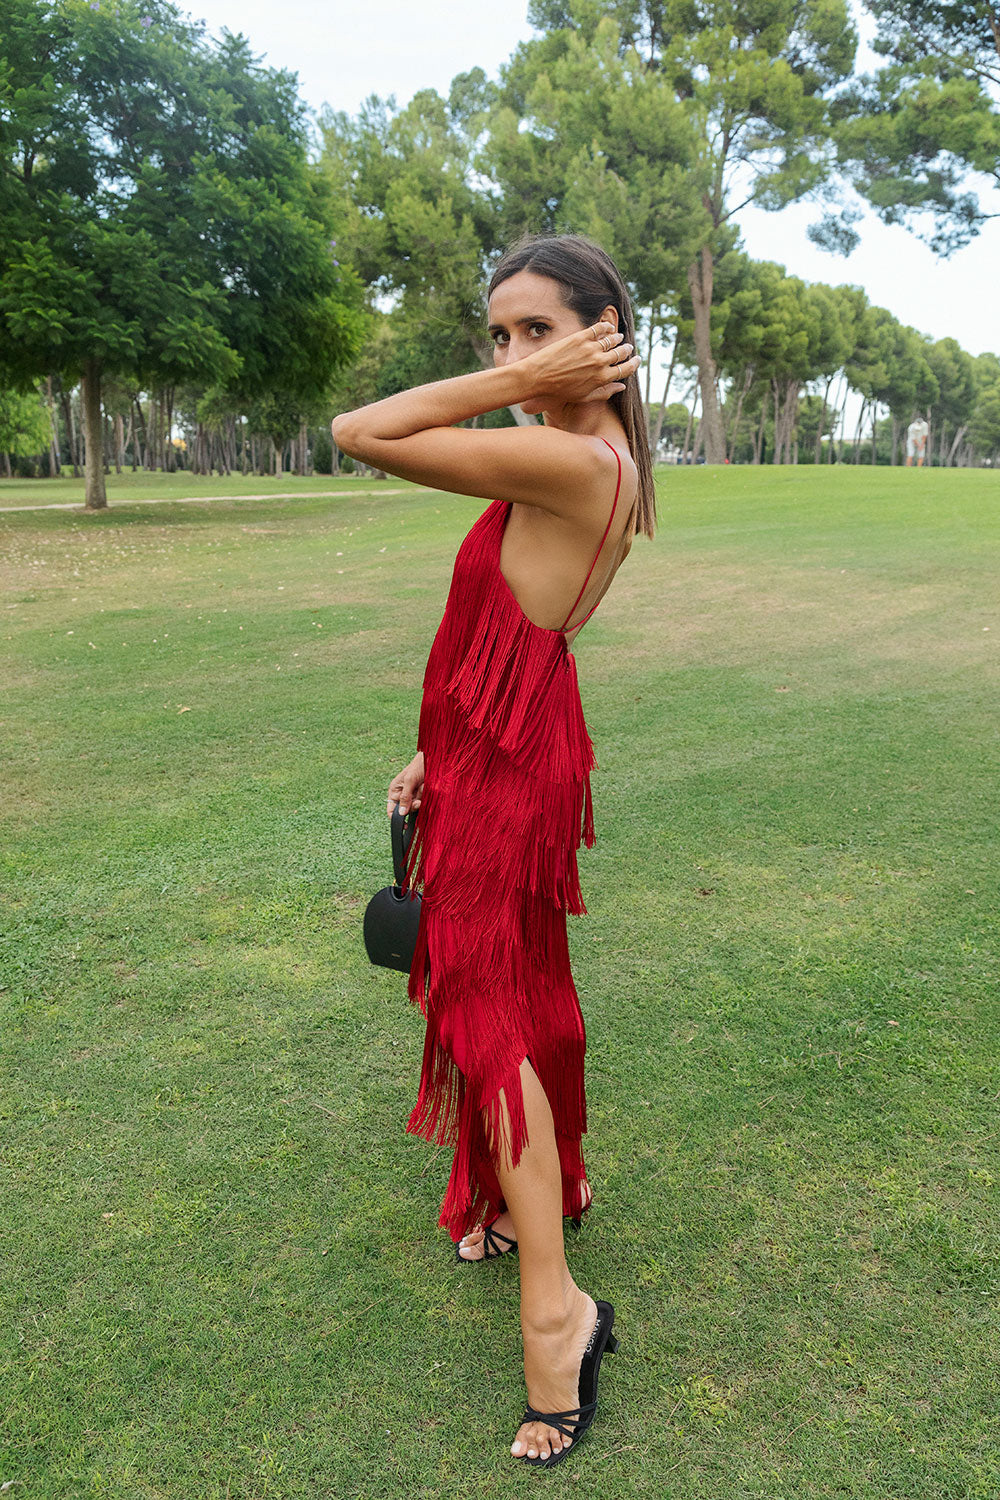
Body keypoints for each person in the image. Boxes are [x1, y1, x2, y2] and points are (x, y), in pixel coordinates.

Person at [332, 233, 655, 1468]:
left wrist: (519, 384)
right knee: (516, 988)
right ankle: (542, 1194)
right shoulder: (584, 454)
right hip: (503, 744)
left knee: (486, 1010)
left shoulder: (570, 454)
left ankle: (558, 1315)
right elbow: (503, 622)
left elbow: (361, 431)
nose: (515, 355)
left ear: (604, 336)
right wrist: (438, 749)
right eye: (500, 336)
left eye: (538, 331)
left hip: (513, 777)